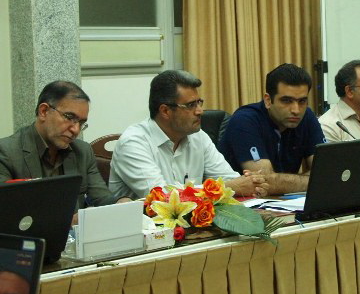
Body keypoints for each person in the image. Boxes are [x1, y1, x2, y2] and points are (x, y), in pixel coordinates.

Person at [109, 70, 268, 199]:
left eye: (199, 102)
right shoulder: (133, 143)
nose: (200, 111)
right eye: (191, 105)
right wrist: (225, 188)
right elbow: (162, 198)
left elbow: (230, 180)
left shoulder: (198, 136)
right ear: (165, 111)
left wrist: (250, 182)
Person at [0, 81, 126, 212]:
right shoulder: (6, 152)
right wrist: (66, 220)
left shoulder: (82, 151)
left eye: (81, 123)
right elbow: (5, 213)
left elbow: (102, 198)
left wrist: (120, 202)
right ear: (43, 111)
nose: (76, 130)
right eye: (69, 117)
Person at [218, 63, 325, 194]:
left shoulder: (306, 116)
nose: (296, 110)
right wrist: (312, 180)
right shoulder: (245, 120)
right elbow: (264, 181)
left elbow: (327, 173)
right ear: (268, 100)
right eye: (287, 101)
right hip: (242, 203)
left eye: (302, 101)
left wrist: (283, 182)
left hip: (284, 201)